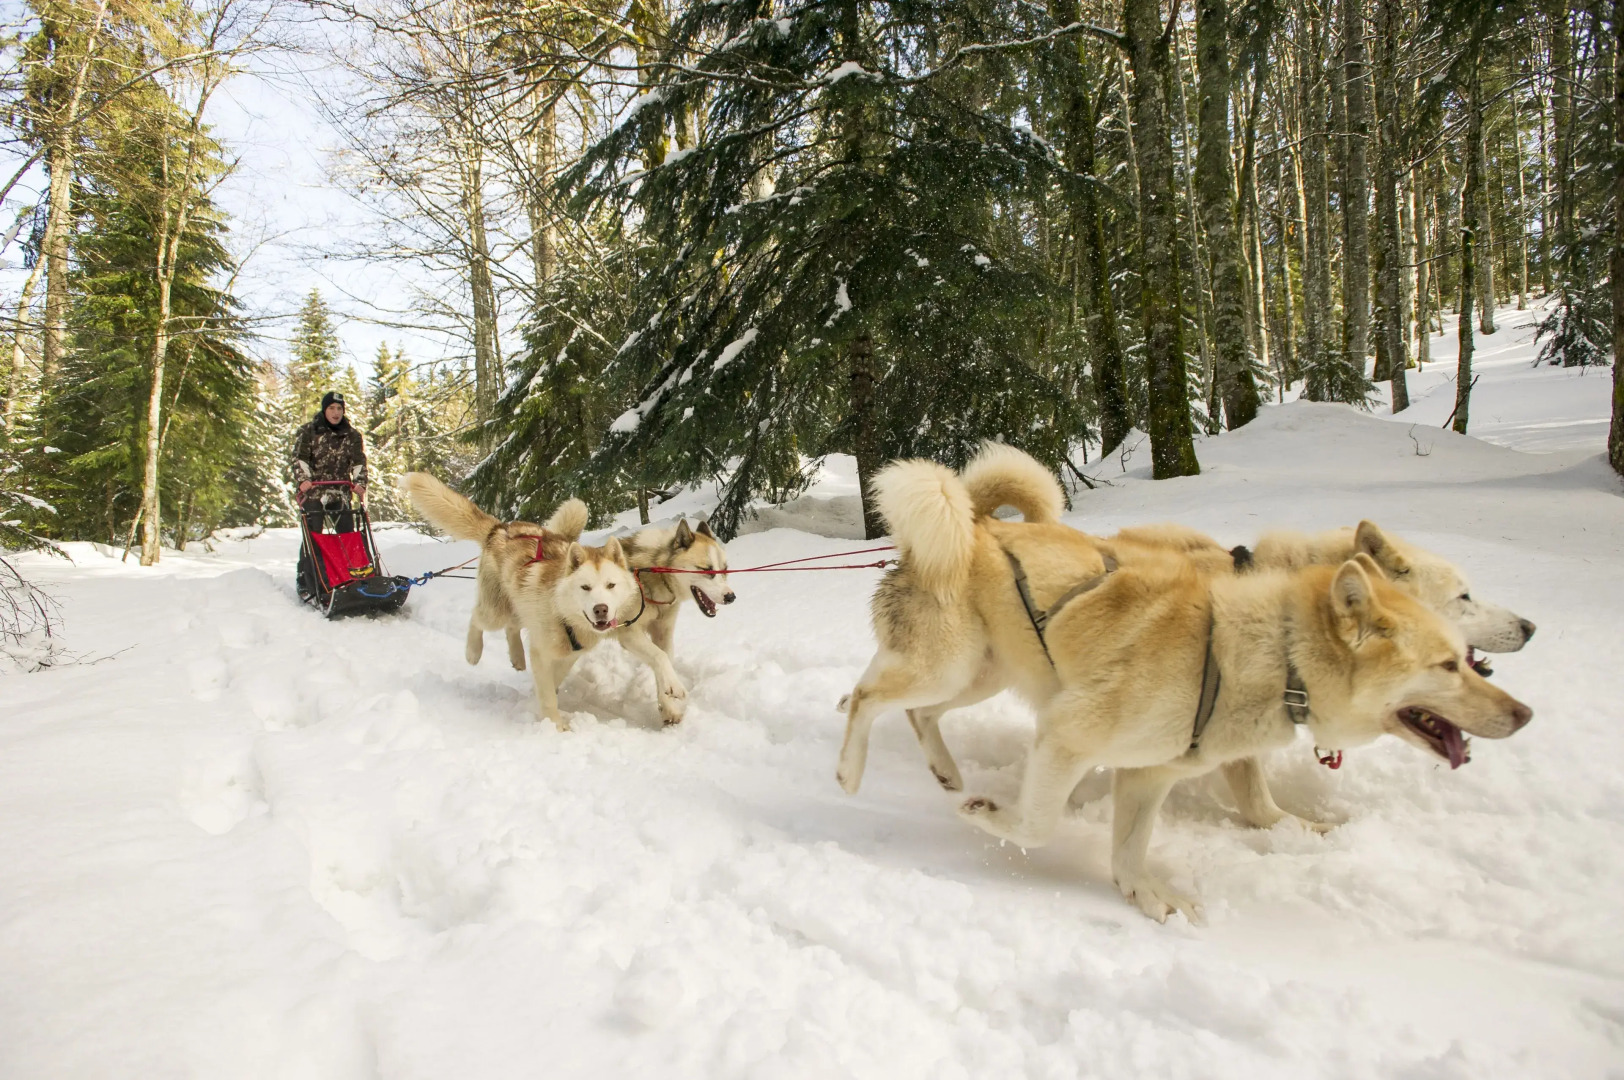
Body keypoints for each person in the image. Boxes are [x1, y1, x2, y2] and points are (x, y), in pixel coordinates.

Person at [292, 391, 369, 598]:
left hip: (340, 491)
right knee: (313, 536)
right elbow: (300, 459)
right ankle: (306, 580)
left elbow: (358, 462)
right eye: (331, 408)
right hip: (314, 492)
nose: (336, 413)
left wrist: (359, 483)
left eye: (339, 409)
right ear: (324, 410)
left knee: (347, 534)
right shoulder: (309, 431)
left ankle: (349, 576)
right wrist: (303, 480)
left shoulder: (352, 435)